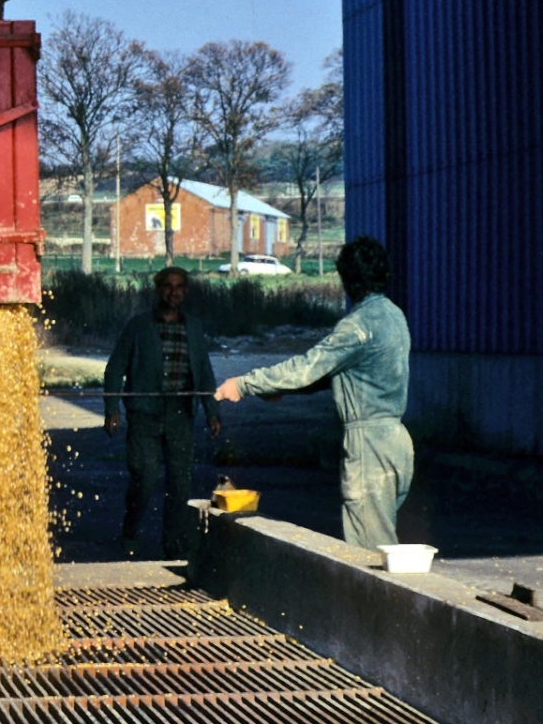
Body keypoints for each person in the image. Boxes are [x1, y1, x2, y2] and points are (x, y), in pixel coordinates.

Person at [215, 236, 412, 550]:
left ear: (348, 279)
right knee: (381, 537)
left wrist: (243, 384)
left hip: (369, 445)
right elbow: (341, 372)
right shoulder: (393, 316)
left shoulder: (358, 325)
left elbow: (308, 366)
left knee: (369, 551)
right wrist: (281, 389)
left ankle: (370, 601)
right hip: (396, 441)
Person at [104, 266, 222, 558]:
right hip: (145, 413)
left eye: (179, 286)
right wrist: (111, 408)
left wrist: (212, 411)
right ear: (158, 290)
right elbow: (115, 368)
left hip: (180, 414)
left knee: (180, 483)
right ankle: (130, 532)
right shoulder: (138, 326)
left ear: (186, 291)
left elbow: (204, 373)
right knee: (144, 477)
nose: (173, 292)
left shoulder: (193, 327)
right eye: (167, 286)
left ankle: (174, 546)